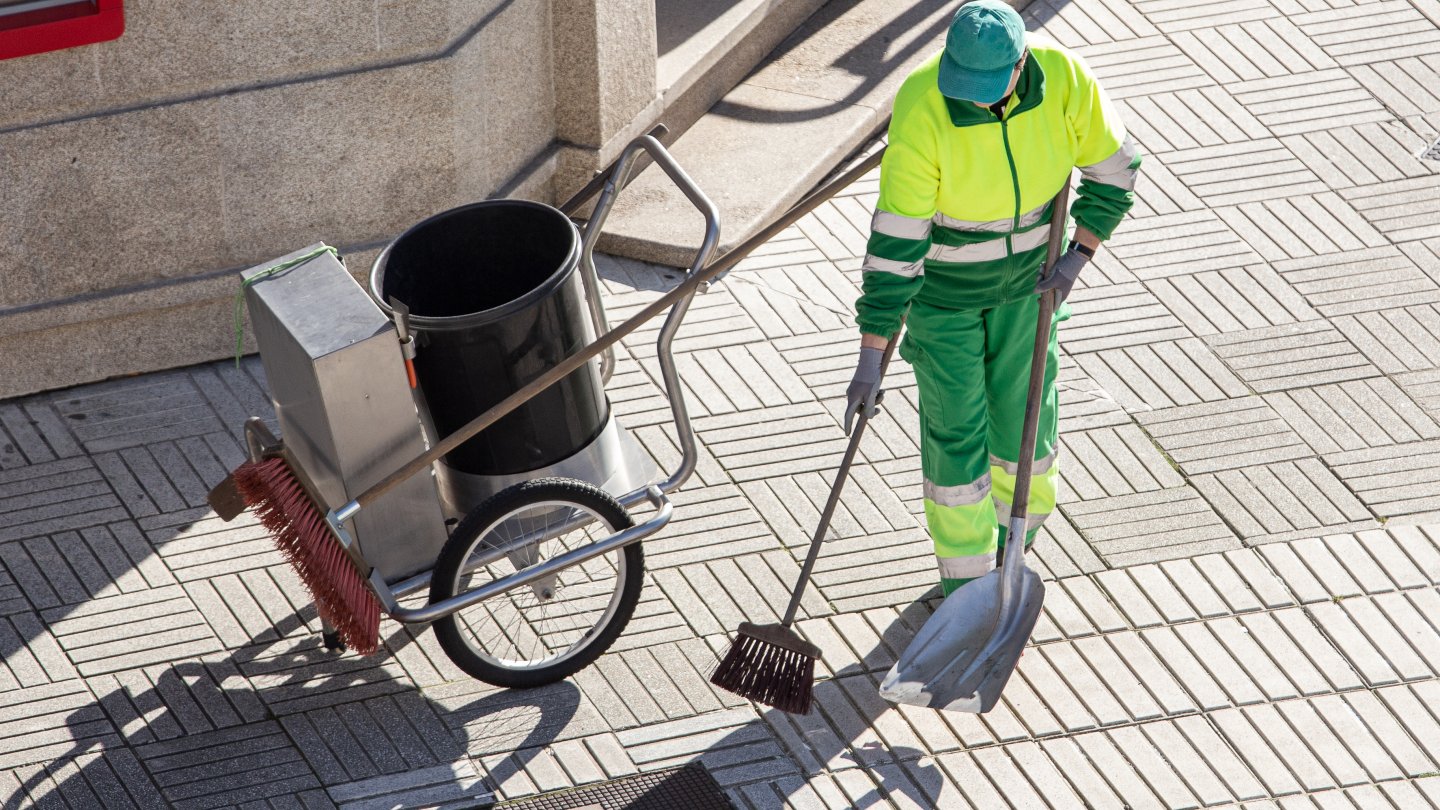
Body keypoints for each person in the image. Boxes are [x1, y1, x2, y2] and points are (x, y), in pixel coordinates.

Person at [844, 0, 1140, 596]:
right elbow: (898, 238)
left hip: (1029, 291)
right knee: (957, 433)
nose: (971, 97)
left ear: (1020, 63)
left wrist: (1078, 257)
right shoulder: (924, 101)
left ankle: (1014, 551)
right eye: (963, 84)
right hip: (941, 301)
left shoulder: (1064, 80)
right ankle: (964, 587)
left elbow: (1116, 170)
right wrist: (871, 353)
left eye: (986, 86)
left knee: (1023, 426)